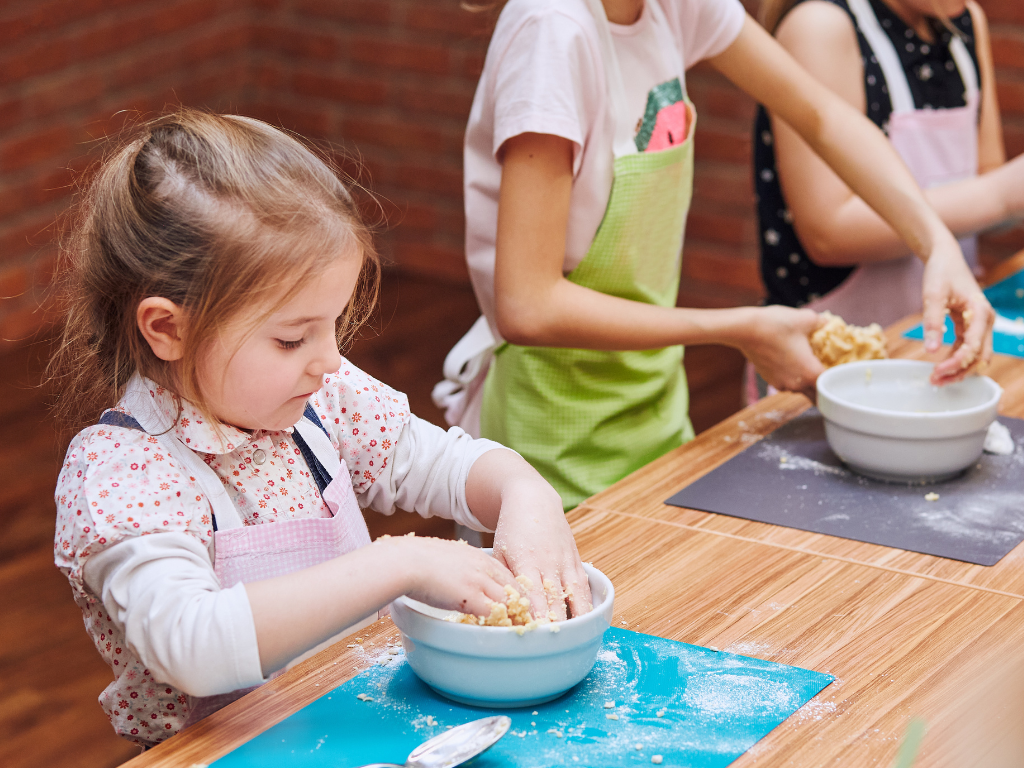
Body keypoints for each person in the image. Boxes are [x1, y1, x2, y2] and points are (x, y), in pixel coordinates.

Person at [50, 110, 591, 749]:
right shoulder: (123, 472)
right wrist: (400, 560)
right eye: (291, 337)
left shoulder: (317, 396)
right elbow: (191, 646)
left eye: (332, 323)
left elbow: (441, 464)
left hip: (353, 729)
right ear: (167, 328)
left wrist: (525, 491)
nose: (329, 358)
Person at [433, 0, 994, 511]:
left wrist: (936, 243)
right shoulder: (552, 33)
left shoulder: (672, 7)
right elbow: (527, 305)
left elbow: (823, 117)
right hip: (548, 441)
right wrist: (742, 327)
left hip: (656, 410)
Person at [756, 0, 1024, 333]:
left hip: (943, 334)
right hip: (831, 345)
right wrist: (1002, 194)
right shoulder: (819, 27)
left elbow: (985, 190)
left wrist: (1007, 200)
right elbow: (828, 234)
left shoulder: (964, 23)